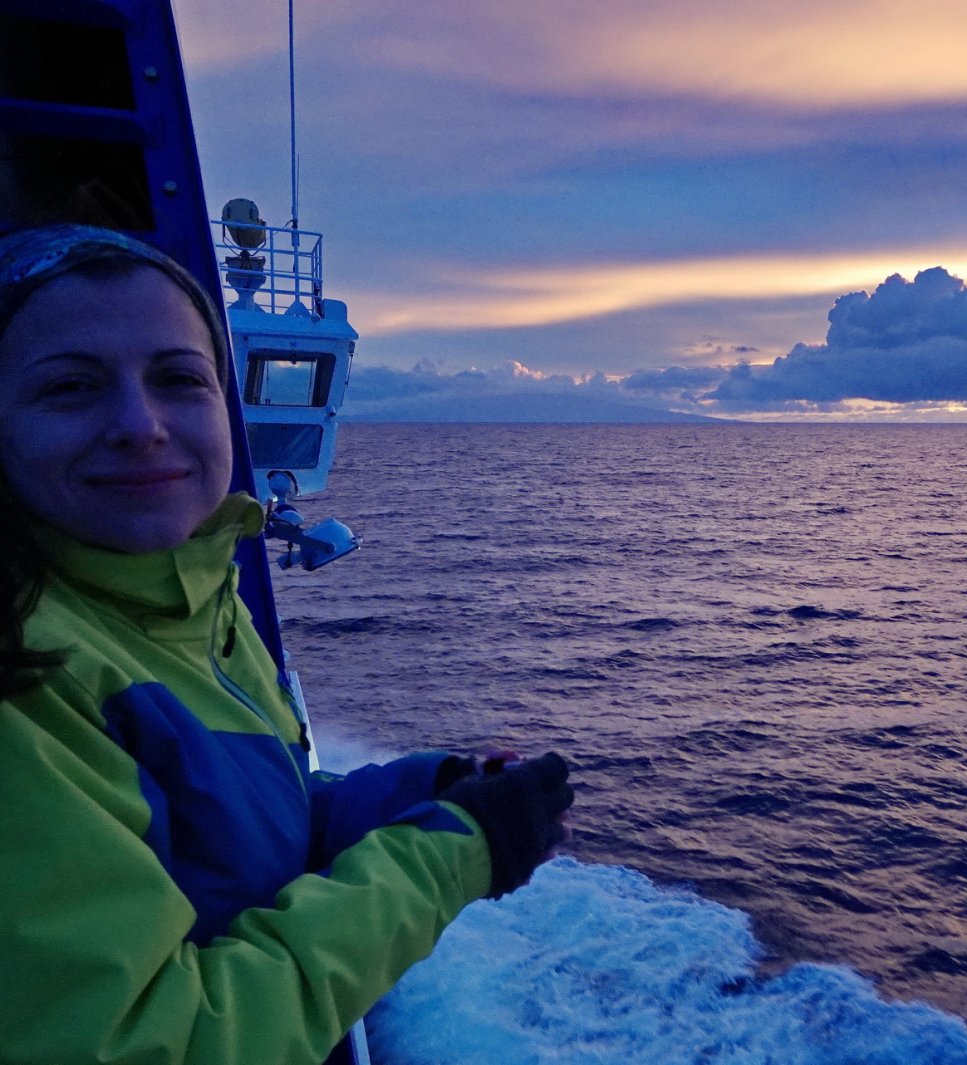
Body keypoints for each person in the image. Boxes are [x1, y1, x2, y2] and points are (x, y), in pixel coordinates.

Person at [0, 225, 574, 1064]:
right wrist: (452, 853)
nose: (140, 424)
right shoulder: (28, 677)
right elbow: (159, 1046)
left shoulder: (187, 600)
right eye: (69, 387)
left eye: (178, 379)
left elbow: (252, 820)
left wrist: (427, 788)